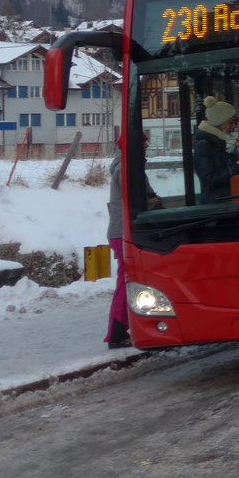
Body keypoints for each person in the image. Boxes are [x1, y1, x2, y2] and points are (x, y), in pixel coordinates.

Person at [105, 133, 159, 349]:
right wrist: (151, 201)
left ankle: (123, 328)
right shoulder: (125, 168)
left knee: (129, 281)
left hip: (124, 231)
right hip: (123, 233)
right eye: (143, 141)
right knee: (125, 283)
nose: (146, 145)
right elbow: (135, 197)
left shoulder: (130, 165)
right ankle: (116, 333)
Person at [192, 97, 239, 204]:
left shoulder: (224, 143)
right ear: (220, 123)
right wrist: (238, 165)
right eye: (231, 122)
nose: (234, 127)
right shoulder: (204, 146)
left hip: (229, 204)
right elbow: (209, 181)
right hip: (217, 208)